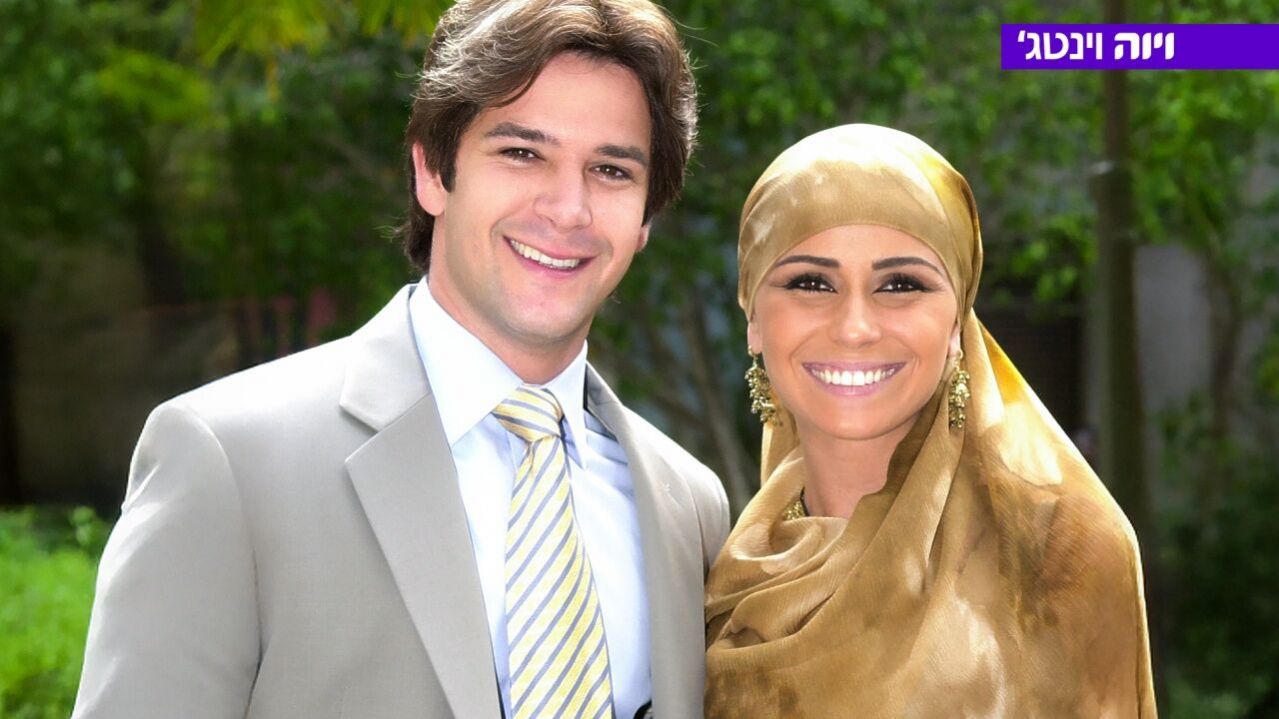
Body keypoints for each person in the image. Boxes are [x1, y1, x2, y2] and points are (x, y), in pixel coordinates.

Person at [73, 1, 729, 717]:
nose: (568, 208)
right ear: (431, 171)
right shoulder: (228, 463)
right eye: (521, 153)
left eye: (610, 169)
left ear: (646, 217)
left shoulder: (689, 506)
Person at [704, 124, 1156, 718]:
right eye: (811, 283)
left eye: (901, 284)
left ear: (956, 325)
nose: (855, 327)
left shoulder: (1058, 553)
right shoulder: (716, 560)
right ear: (753, 320)